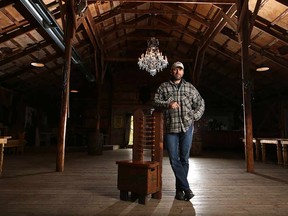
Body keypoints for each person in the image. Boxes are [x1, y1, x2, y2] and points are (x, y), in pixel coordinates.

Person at [153, 61, 205, 201]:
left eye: (180, 69)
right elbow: (155, 101)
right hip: (171, 128)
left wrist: (195, 116)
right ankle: (186, 188)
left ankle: (179, 191)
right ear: (171, 71)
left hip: (187, 127)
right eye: (175, 69)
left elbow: (201, 103)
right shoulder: (163, 87)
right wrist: (168, 104)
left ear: (183, 72)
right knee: (173, 159)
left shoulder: (189, 88)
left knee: (185, 159)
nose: (178, 72)